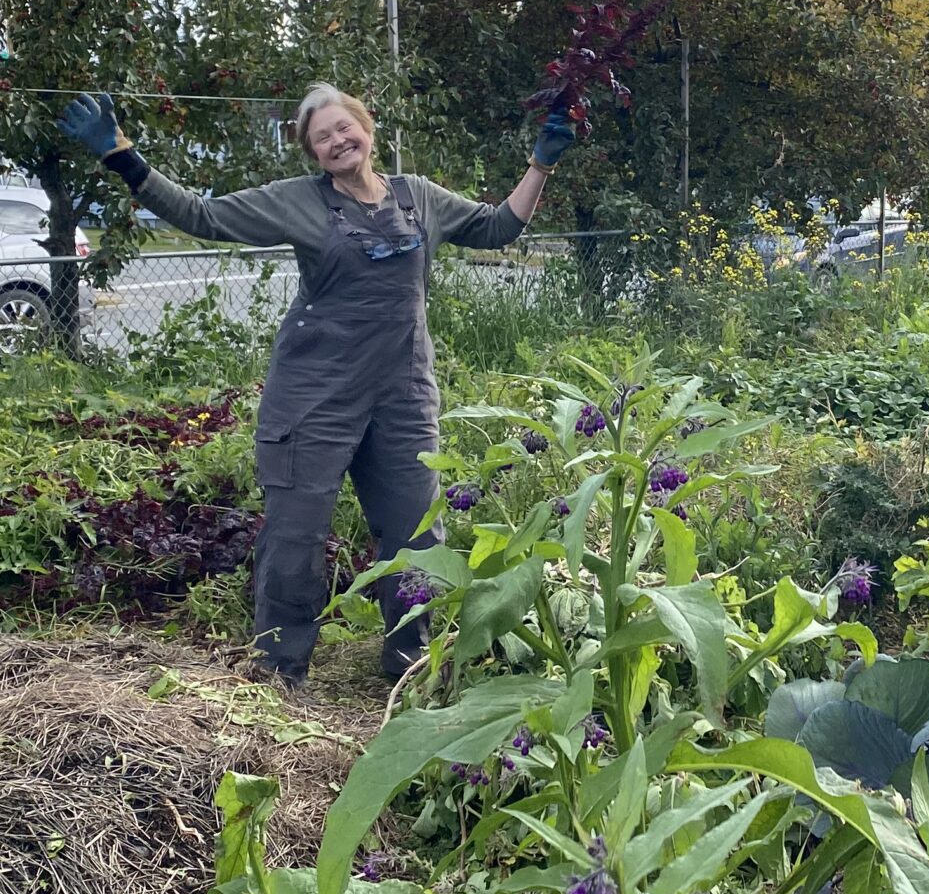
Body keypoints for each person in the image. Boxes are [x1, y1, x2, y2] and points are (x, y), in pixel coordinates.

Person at [58, 85, 575, 682]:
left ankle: (408, 662)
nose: (336, 142)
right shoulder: (298, 202)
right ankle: (281, 671)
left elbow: (497, 228)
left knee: (416, 535)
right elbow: (203, 216)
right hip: (313, 398)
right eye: (320, 137)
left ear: (367, 128)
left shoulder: (420, 198)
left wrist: (542, 163)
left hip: (402, 397)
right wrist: (123, 156)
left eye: (343, 128)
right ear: (311, 150)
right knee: (296, 538)